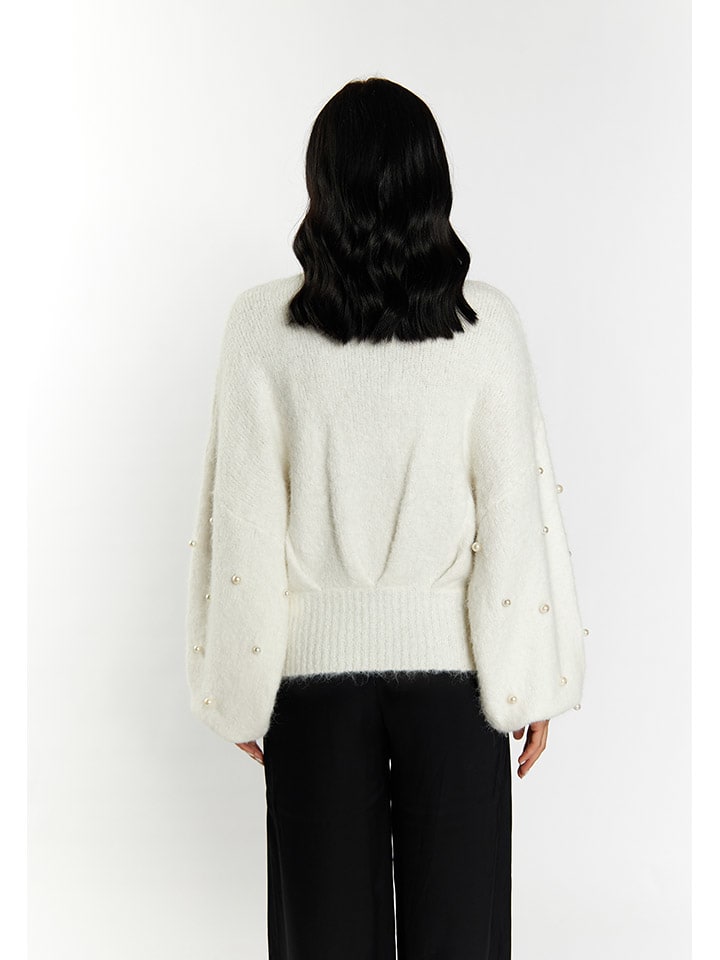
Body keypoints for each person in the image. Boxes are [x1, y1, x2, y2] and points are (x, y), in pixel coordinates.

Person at [185, 76, 588, 960]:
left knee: (322, 942)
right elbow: (516, 517)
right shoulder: (487, 327)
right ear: (431, 182)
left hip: (311, 689)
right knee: (463, 940)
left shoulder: (260, 327)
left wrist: (238, 682)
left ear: (320, 183)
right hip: (456, 688)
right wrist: (533, 676)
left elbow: (243, 521)